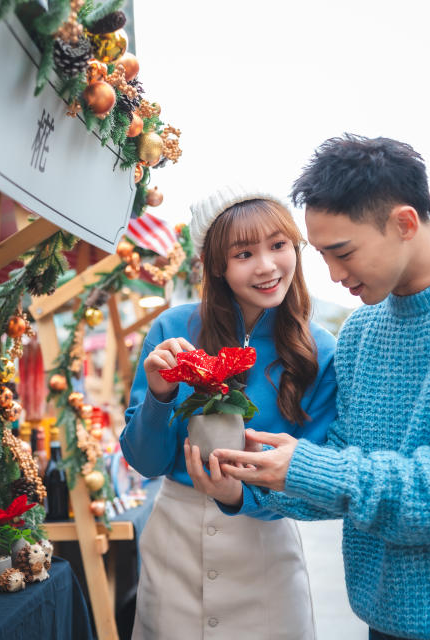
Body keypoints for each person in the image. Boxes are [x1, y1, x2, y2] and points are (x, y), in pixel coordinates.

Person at [187, 135, 430, 640]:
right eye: (322, 254)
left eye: (343, 252)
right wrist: (248, 487)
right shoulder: (361, 330)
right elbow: (346, 462)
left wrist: (307, 466)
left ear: (404, 223)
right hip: (387, 621)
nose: (332, 274)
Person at [120, 186, 338, 639]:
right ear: (217, 266)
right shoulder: (172, 330)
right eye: (244, 253)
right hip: (174, 540)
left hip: (265, 545)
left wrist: (243, 497)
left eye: (278, 246)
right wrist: (159, 395)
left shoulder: (318, 351)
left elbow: (318, 474)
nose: (266, 266)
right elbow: (144, 461)